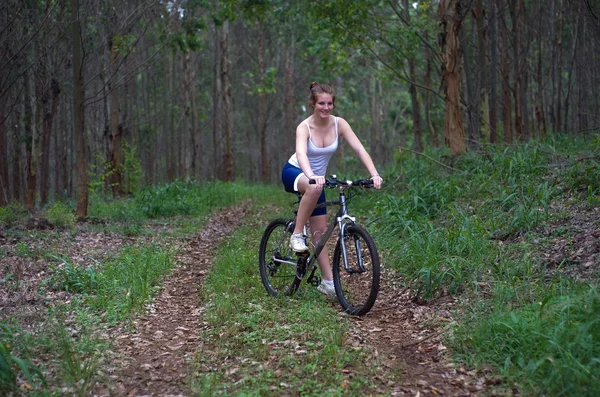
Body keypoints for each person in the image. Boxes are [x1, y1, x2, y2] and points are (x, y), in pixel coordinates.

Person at [281, 82, 383, 296]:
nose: (326, 108)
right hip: (296, 171)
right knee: (314, 190)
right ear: (313, 103)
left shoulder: (339, 124)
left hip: (317, 181)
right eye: (321, 103)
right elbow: (301, 154)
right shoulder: (304, 127)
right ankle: (297, 234)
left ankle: (328, 283)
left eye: (329, 104)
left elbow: (359, 148)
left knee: (319, 233)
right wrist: (310, 176)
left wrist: (374, 174)